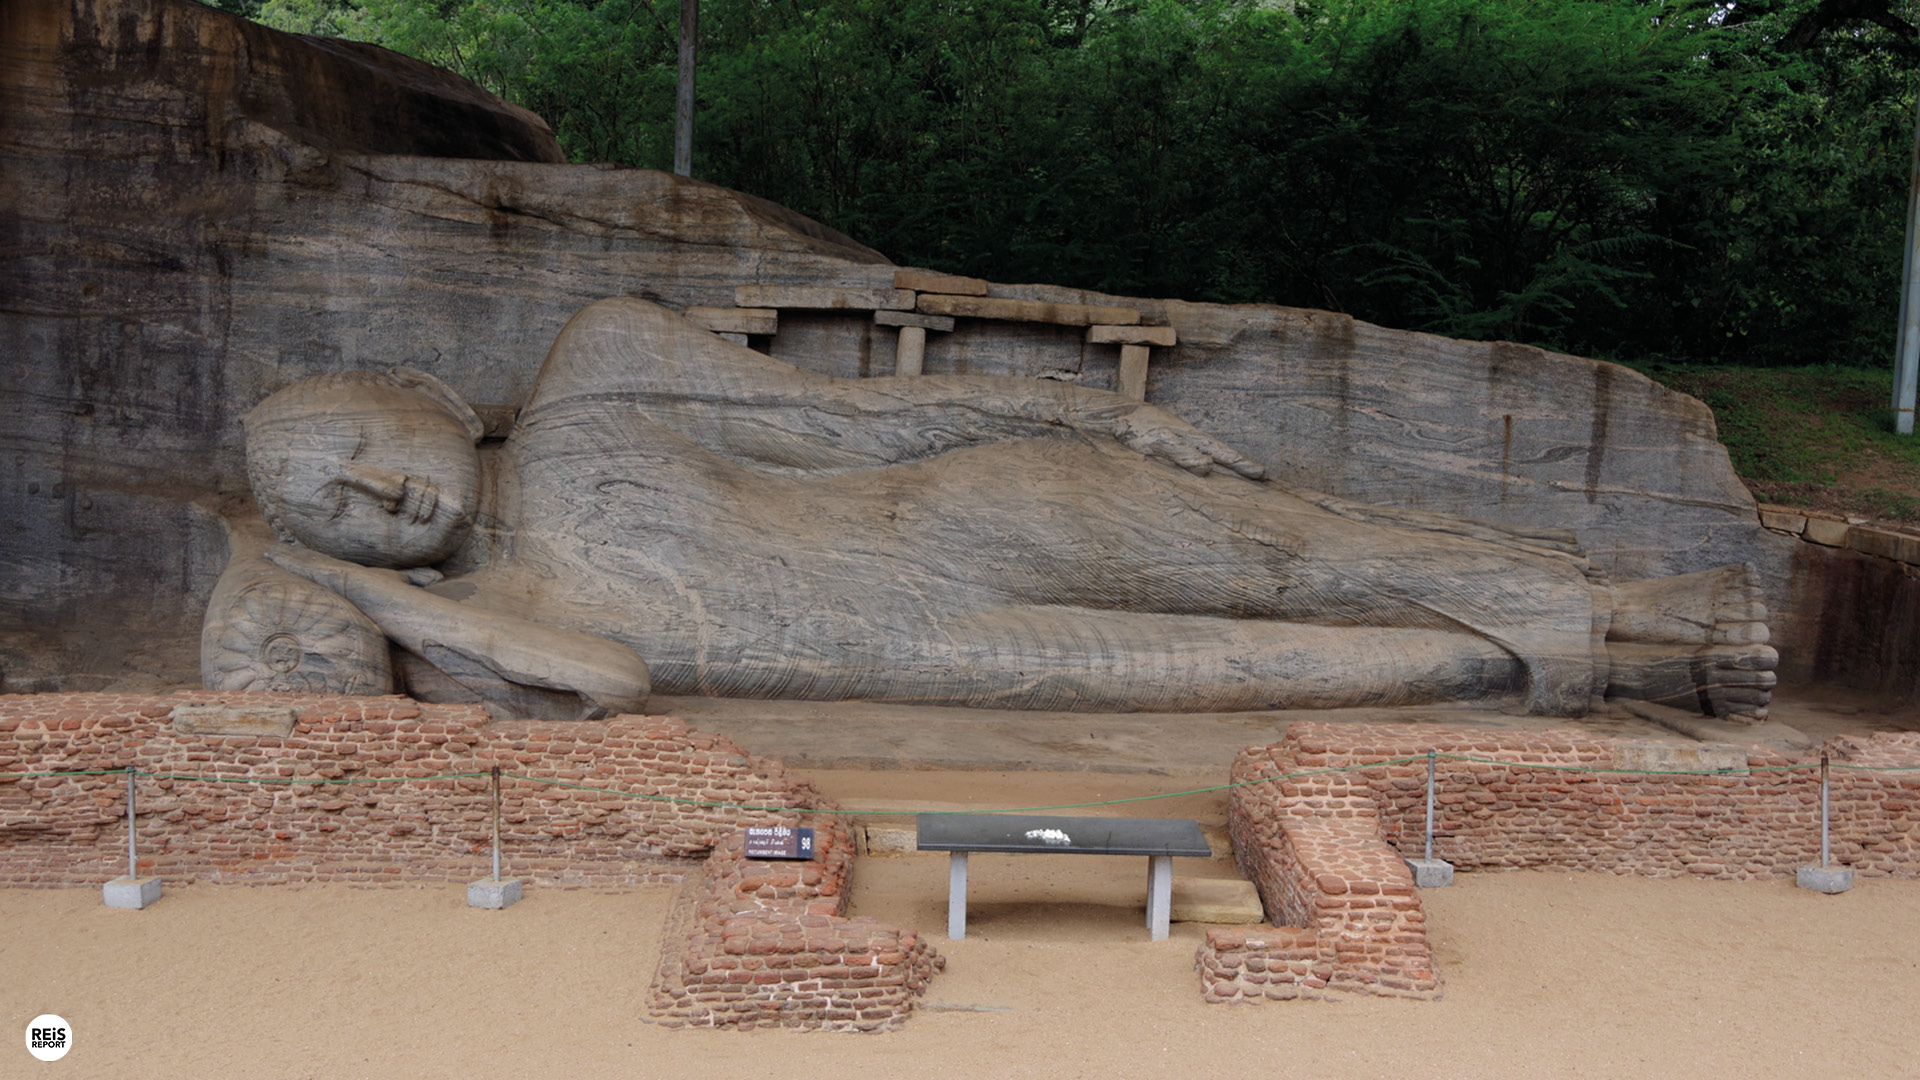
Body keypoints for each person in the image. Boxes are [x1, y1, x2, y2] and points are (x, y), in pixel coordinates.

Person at [224, 297, 1776, 722]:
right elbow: (612, 684)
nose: (378, 491)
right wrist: (376, 602)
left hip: (977, 522)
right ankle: (1622, 667)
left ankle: (1652, 605)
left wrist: (1097, 416)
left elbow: (863, 420)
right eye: (333, 512)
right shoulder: (504, 620)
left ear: (416, 386)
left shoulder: (595, 376)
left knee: (1300, 559)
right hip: (956, 653)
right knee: (1315, 671)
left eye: (359, 442)